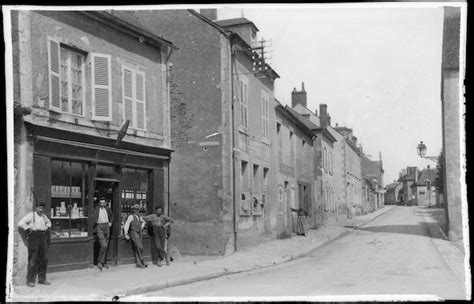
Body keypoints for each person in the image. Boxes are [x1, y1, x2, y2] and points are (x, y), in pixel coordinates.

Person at [18, 202, 52, 287]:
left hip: (43, 236)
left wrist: (47, 227)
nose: (41, 210)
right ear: (35, 208)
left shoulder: (44, 216)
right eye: (39, 208)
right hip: (34, 236)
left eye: (42, 208)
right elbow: (20, 223)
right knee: (33, 259)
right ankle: (30, 281)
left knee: (44, 258)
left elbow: (49, 223)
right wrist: (28, 228)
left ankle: (42, 279)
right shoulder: (31, 215)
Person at [91, 197, 114, 271]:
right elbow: (93, 218)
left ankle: (102, 262)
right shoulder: (96, 209)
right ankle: (100, 262)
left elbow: (112, 216)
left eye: (103, 203)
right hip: (99, 226)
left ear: (105, 203)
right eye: (101, 203)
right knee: (103, 245)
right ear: (99, 203)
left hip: (107, 226)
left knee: (105, 246)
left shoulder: (107, 209)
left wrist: (110, 222)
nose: (102, 204)